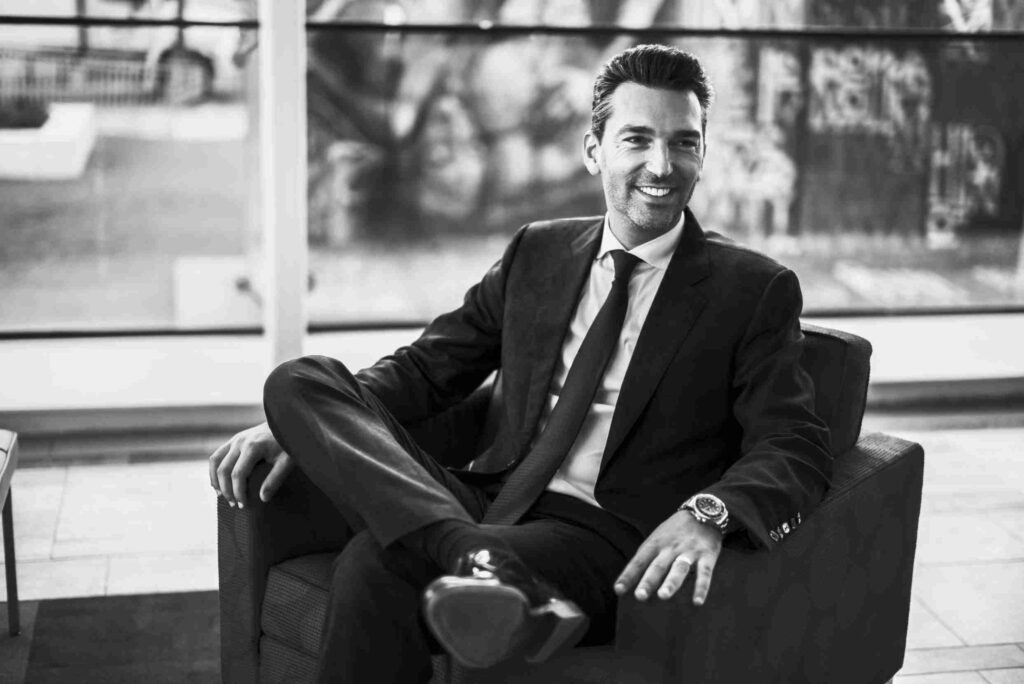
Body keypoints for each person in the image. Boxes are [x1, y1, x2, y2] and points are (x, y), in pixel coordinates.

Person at [210, 44, 832, 683]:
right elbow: (427, 370)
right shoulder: (539, 252)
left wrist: (709, 512)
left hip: (603, 533)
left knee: (376, 563)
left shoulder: (751, 289)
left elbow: (794, 442)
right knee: (299, 381)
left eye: (684, 143)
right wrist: (302, 425)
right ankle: (469, 550)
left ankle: (465, 553)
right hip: (488, 497)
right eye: (637, 139)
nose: (662, 164)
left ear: (704, 152)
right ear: (594, 150)